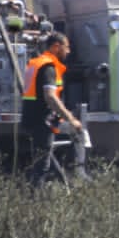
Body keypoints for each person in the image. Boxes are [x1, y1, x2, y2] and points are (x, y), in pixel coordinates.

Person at [21, 33, 84, 187]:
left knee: (45, 158)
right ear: (56, 47)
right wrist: (71, 119)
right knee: (42, 166)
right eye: (66, 47)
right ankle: (37, 196)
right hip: (42, 120)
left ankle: (65, 185)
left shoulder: (36, 63)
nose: (68, 51)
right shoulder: (48, 67)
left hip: (32, 117)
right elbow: (50, 97)